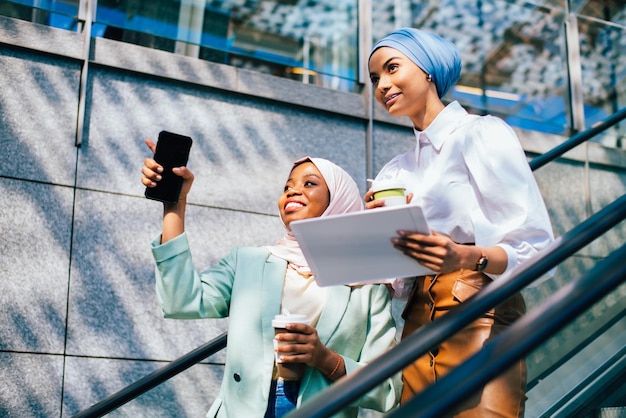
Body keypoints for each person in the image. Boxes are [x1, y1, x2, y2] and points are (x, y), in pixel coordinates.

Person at [366, 28, 554, 417]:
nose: (382, 85)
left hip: (481, 315)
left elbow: (535, 246)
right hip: (417, 325)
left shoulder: (480, 135)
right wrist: (375, 245)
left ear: (429, 71)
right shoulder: (394, 172)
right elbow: (399, 286)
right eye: (374, 79)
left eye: (392, 68)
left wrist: (465, 256)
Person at [141, 139, 401, 418]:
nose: (292, 192)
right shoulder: (248, 262)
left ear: (339, 199)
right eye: (287, 187)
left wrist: (324, 359)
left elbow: (388, 389)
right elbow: (181, 301)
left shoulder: (366, 285)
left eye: (309, 183)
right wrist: (175, 203)